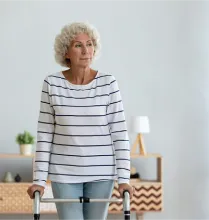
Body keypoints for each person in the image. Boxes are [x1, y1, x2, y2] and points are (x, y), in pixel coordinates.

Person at [27, 21, 134, 220]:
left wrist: (124, 178)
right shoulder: (52, 84)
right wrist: (39, 181)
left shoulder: (108, 83)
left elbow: (119, 133)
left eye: (90, 44)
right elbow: (44, 135)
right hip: (64, 173)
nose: (86, 50)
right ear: (66, 52)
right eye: (78, 45)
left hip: (102, 172)